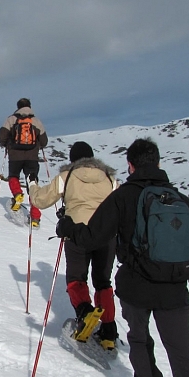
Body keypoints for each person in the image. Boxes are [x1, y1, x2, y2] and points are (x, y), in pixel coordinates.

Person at [56, 138, 189, 377]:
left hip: (138, 286)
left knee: (140, 340)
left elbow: (92, 237)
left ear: (130, 165)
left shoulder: (124, 196)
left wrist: (68, 227)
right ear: (158, 163)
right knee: (183, 358)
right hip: (176, 292)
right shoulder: (181, 200)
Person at [28, 141, 119, 349]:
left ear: (72, 159)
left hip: (77, 233)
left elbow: (40, 200)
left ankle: (85, 312)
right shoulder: (109, 178)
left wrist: (32, 184)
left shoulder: (67, 176)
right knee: (103, 281)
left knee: (76, 278)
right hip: (106, 236)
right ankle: (108, 332)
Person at [0, 98, 48, 227]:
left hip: (15, 156)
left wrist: (7, 145)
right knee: (32, 184)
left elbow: (2, 136)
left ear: (18, 107)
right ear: (29, 106)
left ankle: (17, 194)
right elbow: (44, 142)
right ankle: (35, 217)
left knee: (13, 176)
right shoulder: (36, 121)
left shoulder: (11, 119)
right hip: (32, 157)